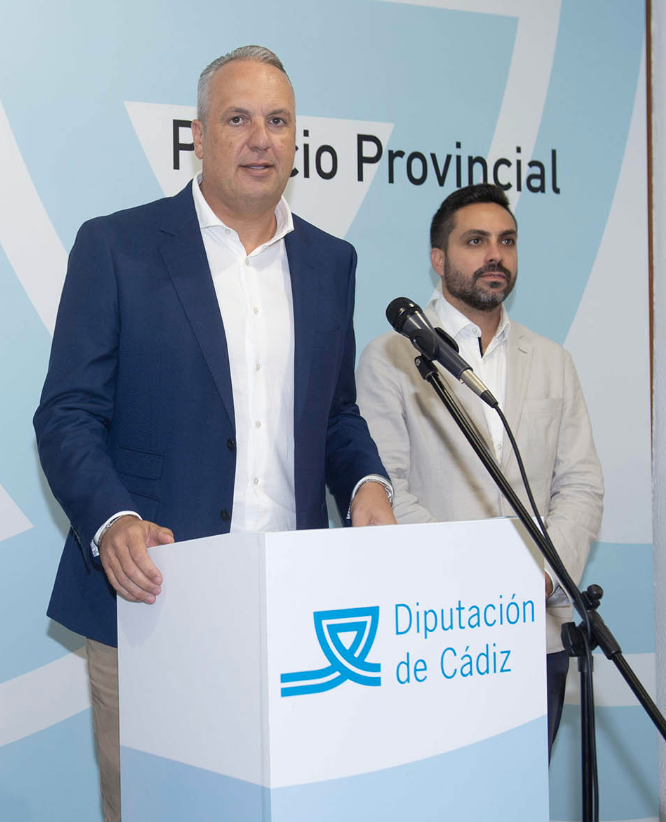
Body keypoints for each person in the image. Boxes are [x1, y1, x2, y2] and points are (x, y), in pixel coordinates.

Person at [33, 45, 395, 820]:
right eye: (238, 120)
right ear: (198, 135)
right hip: (156, 600)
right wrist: (113, 520)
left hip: (296, 614)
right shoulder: (118, 246)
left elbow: (335, 411)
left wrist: (367, 485)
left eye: (278, 121)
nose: (261, 139)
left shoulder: (331, 262)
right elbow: (67, 413)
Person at [355, 182, 603, 755]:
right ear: (438, 259)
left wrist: (541, 577)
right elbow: (385, 490)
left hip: (538, 635)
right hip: (435, 639)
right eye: (475, 241)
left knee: (524, 793)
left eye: (506, 241)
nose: (495, 254)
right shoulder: (391, 357)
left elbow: (581, 486)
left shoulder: (552, 361)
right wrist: (476, 582)